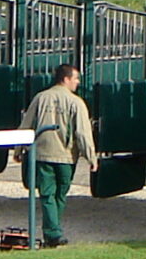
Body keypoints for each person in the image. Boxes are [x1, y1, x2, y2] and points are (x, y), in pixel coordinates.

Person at [22, 63, 97, 247]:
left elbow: (26, 124)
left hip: (42, 153)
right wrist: (91, 157)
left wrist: (19, 148)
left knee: (47, 195)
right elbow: (82, 133)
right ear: (66, 79)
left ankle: (52, 232)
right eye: (76, 78)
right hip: (66, 156)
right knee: (60, 195)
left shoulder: (40, 98)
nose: (78, 82)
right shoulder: (76, 103)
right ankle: (53, 233)